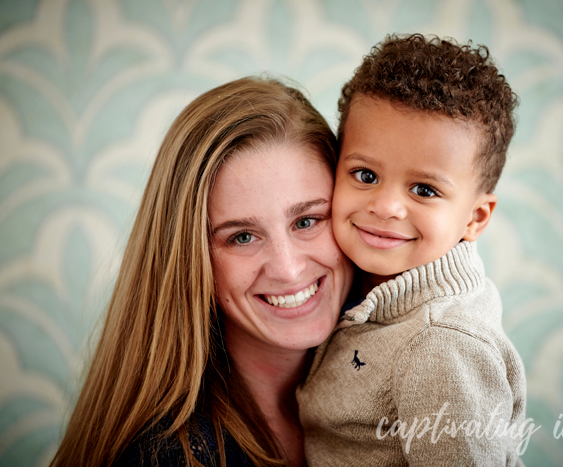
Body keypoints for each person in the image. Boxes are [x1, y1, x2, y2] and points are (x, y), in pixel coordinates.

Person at [50, 77, 353, 467]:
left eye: (308, 220)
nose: (288, 267)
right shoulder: (167, 458)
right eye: (242, 237)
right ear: (191, 261)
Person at [297, 34, 527, 466]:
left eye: (424, 189)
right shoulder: (352, 286)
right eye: (365, 175)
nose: (385, 207)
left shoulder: (441, 347)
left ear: (475, 218)